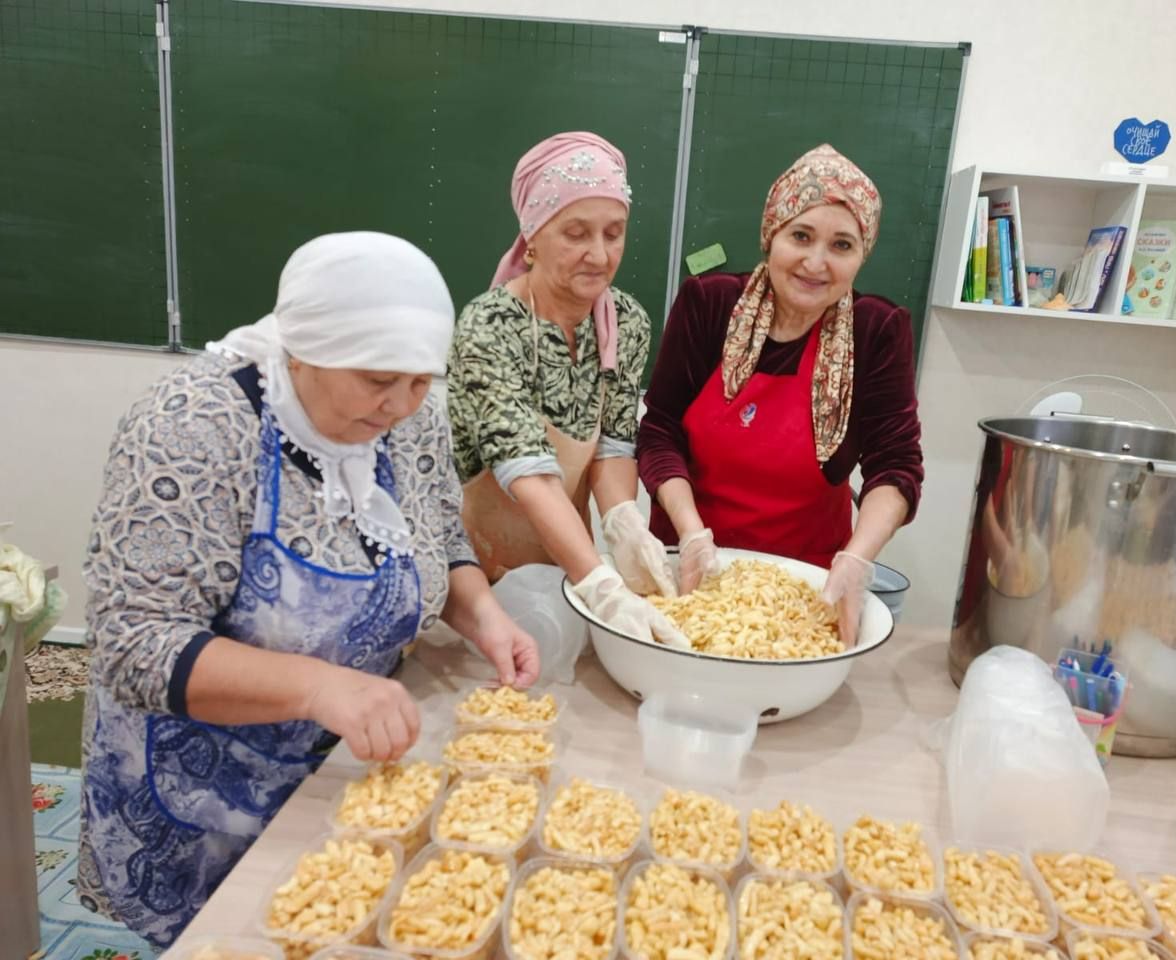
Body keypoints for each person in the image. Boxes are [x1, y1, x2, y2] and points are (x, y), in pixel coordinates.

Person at [77, 232, 539, 946]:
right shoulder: (193, 427)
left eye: (420, 381)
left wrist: (485, 616)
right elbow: (134, 645)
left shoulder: (411, 419)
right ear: (304, 348)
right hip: (195, 798)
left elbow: (439, 536)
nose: (399, 405)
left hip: (338, 770)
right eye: (376, 378)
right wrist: (319, 687)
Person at [637, 144, 924, 646]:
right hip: (686, 566)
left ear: (862, 255)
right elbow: (660, 430)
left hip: (803, 591)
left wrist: (858, 560)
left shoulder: (877, 330)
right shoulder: (708, 306)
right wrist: (689, 533)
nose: (817, 263)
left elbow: (896, 464)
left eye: (842, 245)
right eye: (801, 236)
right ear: (772, 236)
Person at [448, 131, 685, 647]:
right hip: (472, 588)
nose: (599, 255)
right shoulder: (488, 326)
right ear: (532, 238)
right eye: (576, 233)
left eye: (614, 232)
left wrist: (623, 522)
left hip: (559, 572)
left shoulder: (626, 321)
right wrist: (599, 583)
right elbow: (526, 470)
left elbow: (614, 446)